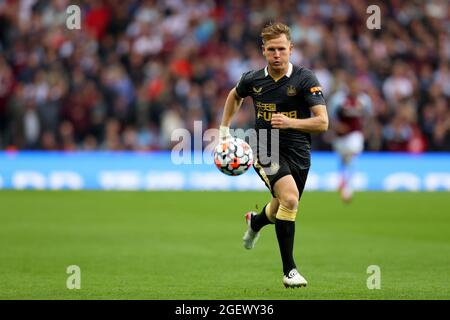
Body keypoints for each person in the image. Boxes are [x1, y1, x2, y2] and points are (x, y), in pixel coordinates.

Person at [219, 22, 328, 288]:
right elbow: (235, 96)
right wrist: (224, 130)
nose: (277, 54)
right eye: (271, 50)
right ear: (264, 51)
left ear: (291, 49)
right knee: (290, 198)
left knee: (283, 205)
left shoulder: (305, 79)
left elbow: (322, 122)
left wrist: (291, 123)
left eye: (281, 49)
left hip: (299, 151)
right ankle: (290, 271)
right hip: (264, 146)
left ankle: (255, 221)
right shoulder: (253, 79)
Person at [328, 79, 372, 202]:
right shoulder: (338, 100)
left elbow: (369, 117)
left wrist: (366, 131)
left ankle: (348, 189)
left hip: (355, 134)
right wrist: (337, 127)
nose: (354, 90)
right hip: (340, 136)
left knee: (352, 155)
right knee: (343, 159)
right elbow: (330, 116)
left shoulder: (364, 100)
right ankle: (342, 180)